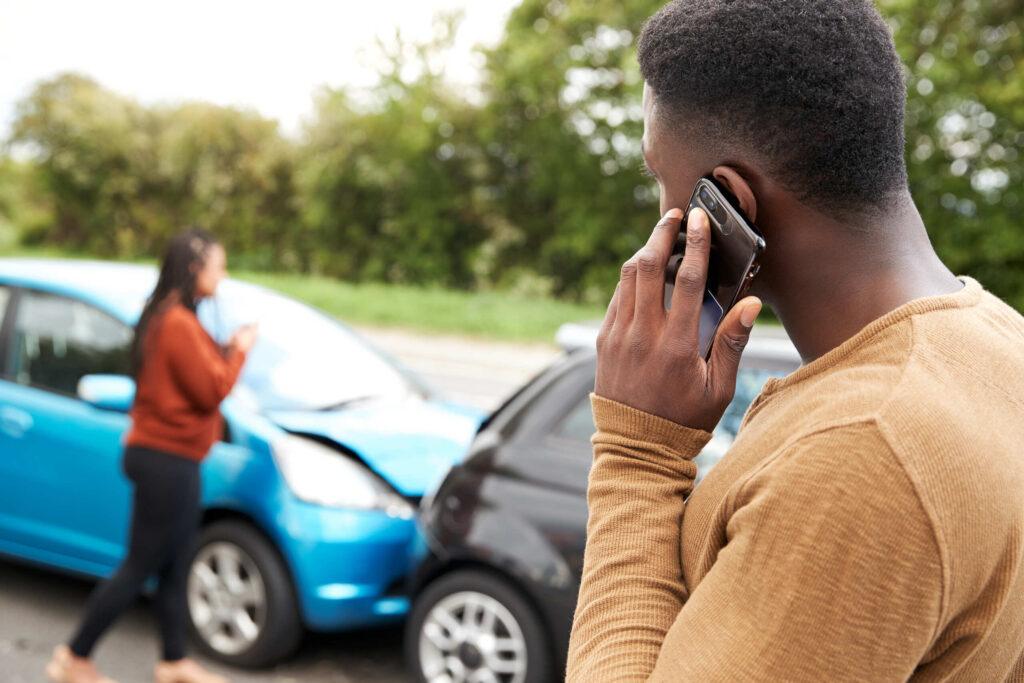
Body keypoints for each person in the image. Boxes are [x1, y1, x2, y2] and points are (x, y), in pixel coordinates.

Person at [566, 1, 1024, 681]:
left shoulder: (861, 450)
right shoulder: (1001, 340)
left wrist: (638, 453)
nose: (660, 211)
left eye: (659, 179)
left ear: (726, 204)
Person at [46, 228, 257, 683]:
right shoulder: (176, 322)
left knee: (177, 563)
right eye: (218, 266)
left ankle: (173, 661)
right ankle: (73, 656)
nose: (222, 276)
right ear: (194, 266)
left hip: (172, 456)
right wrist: (240, 352)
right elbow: (211, 390)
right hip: (166, 458)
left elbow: (191, 375)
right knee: (140, 564)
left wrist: (223, 349)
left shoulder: (171, 317)